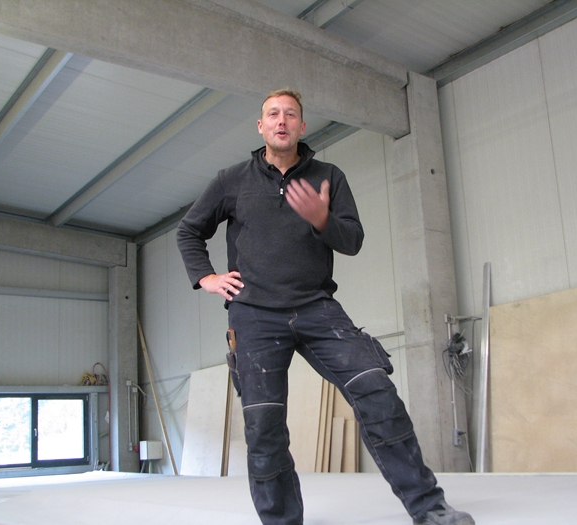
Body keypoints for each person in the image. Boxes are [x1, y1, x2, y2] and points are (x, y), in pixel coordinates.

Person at [177, 88, 475, 525]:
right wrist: (206, 277)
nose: (281, 121)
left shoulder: (328, 177)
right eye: (273, 114)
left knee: (377, 391)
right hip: (254, 314)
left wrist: (321, 219)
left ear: (302, 125)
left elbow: (352, 240)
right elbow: (189, 231)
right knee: (263, 425)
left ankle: (430, 508)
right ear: (260, 126)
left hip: (316, 307)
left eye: (290, 114)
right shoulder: (232, 180)